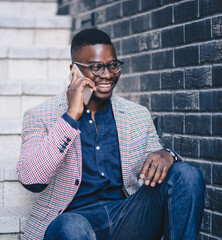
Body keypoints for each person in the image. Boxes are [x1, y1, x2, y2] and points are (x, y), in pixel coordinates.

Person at [17, 28, 205, 240]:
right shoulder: (40, 116)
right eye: (96, 67)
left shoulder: (137, 114)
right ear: (74, 71)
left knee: (187, 175)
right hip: (72, 221)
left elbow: (156, 164)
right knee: (74, 227)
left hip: (126, 217)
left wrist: (167, 154)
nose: (107, 75)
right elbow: (31, 179)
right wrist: (71, 116)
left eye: (113, 65)